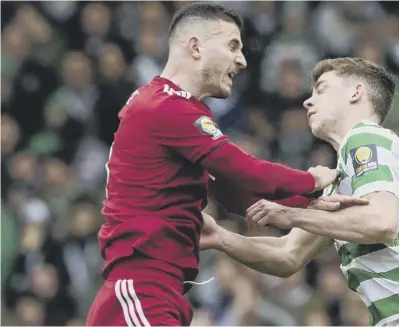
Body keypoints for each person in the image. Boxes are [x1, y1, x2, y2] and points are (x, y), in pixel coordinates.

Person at [86, 3, 340, 327]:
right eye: (233, 45)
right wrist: (312, 180)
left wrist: (315, 204)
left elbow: (237, 195)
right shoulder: (165, 106)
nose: (243, 60)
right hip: (141, 289)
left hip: (158, 292)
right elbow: (245, 172)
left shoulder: (170, 107)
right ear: (196, 46)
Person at [201, 57, 399, 326]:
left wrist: (292, 215)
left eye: (321, 90)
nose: (307, 101)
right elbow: (288, 254)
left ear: (355, 93)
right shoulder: (342, 182)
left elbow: (381, 223)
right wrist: (220, 237)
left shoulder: (365, 136)